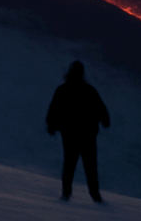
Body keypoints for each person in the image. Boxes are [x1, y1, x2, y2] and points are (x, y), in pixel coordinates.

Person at [45, 60, 110, 202]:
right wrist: (105, 121)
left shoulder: (62, 90)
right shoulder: (89, 90)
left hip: (69, 135)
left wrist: (52, 126)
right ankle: (95, 195)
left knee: (69, 164)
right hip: (88, 135)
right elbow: (101, 109)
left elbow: (53, 110)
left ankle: (66, 193)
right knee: (90, 166)